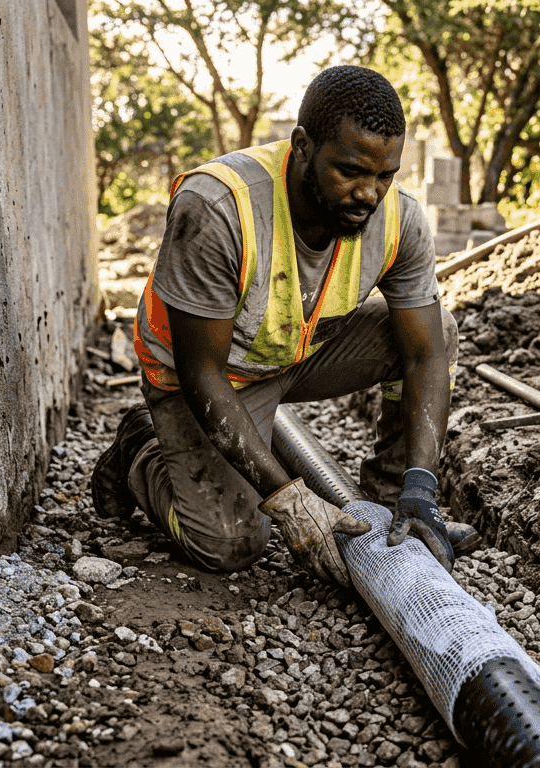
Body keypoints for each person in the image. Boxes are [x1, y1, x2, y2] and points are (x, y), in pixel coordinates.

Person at [90, 66, 458, 589]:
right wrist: (290, 500)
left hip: (291, 353)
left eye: (384, 176)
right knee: (231, 543)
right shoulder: (218, 207)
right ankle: (142, 451)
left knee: (437, 329)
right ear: (303, 146)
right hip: (206, 375)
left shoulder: (400, 220)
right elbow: (203, 374)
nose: (369, 194)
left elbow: (425, 355)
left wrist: (421, 486)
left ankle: (388, 500)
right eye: (350, 171)